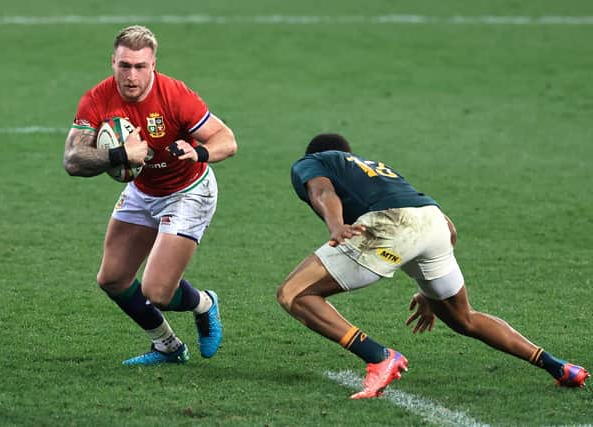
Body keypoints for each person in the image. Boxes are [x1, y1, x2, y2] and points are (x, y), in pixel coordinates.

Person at [277, 133, 589, 398]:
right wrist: (429, 292)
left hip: (391, 224)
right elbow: (449, 229)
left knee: (294, 294)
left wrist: (334, 226)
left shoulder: (313, 162)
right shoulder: (377, 171)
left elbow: (322, 190)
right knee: (464, 317)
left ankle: (379, 357)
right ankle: (560, 367)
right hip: (435, 222)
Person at [63, 25, 237, 365]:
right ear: (112, 62)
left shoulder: (176, 96)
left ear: (153, 65)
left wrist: (198, 152)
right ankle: (167, 346)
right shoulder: (97, 98)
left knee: (156, 292)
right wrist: (119, 156)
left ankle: (204, 303)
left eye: (140, 67)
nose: (131, 76)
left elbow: (227, 140)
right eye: (124, 66)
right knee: (112, 279)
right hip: (143, 191)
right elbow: (72, 159)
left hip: (188, 192)